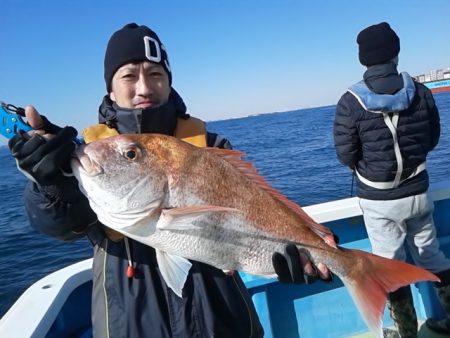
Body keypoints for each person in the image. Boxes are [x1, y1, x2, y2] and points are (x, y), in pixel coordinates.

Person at [9, 23, 332, 338]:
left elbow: (260, 209)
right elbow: (62, 226)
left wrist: (300, 252)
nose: (144, 88)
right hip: (130, 324)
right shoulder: (95, 159)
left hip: (223, 323)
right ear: (110, 87)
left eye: (155, 74)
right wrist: (50, 183)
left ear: (168, 82)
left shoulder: (212, 148)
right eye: (129, 75)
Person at [333, 21, 450, 338]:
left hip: (380, 202)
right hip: (418, 193)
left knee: (390, 267)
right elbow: (433, 138)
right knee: (432, 256)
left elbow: (346, 154)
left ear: (363, 59)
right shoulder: (420, 91)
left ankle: (407, 332)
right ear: (396, 53)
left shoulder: (349, 102)